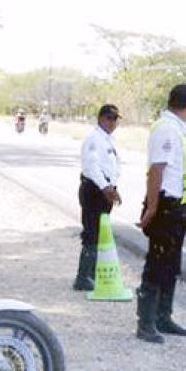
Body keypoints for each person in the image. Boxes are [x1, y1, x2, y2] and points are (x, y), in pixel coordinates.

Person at [136, 84, 186, 343]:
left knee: (171, 266)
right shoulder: (166, 129)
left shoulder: (177, 128)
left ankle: (163, 317)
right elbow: (156, 171)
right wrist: (151, 208)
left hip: (177, 205)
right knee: (157, 264)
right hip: (165, 206)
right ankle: (146, 323)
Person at [72, 104, 123, 291]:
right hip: (94, 191)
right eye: (109, 118)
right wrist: (106, 188)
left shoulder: (108, 140)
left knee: (100, 233)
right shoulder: (94, 139)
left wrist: (113, 187)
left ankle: (92, 273)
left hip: (104, 191)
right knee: (91, 233)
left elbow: (111, 168)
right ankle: (82, 277)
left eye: (115, 119)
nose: (113, 122)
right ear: (101, 118)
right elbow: (92, 167)